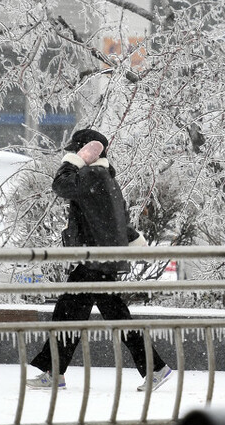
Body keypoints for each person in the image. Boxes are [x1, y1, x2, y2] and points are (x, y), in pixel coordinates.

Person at [26, 128, 174, 392]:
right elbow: (115, 218)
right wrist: (130, 239)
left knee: (77, 314)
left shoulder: (92, 174)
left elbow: (60, 186)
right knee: (75, 314)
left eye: (76, 150)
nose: (71, 154)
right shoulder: (104, 177)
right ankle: (54, 372)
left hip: (94, 260)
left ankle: (155, 368)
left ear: (88, 152)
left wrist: (75, 162)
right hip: (97, 259)